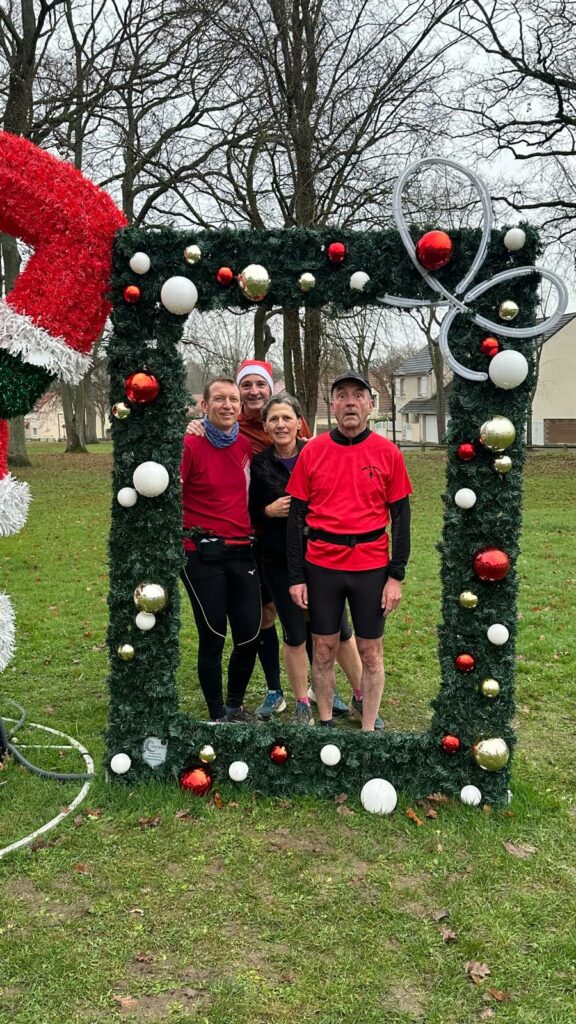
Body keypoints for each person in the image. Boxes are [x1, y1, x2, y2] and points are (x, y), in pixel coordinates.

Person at [187, 359, 349, 720]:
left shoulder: (277, 435)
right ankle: (274, 690)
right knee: (264, 617)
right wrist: (195, 424)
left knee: (311, 616)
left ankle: (321, 686)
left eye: (259, 384)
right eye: (245, 387)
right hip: (255, 545)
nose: (251, 392)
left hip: (283, 546)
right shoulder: (226, 434)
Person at [287, 371, 412, 731]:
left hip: (371, 566)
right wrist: (296, 576)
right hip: (322, 565)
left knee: (371, 651)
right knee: (323, 647)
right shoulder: (313, 451)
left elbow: (401, 518)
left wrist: (396, 576)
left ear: (371, 405)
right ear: (333, 405)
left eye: (358, 395)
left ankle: (368, 727)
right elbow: (295, 519)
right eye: (342, 395)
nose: (350, 402)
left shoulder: (388, 453)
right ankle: (326, 723)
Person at [249, 393, 376, 727]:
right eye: (273, 419)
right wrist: (267, 511)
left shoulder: (318, 452)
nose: (281, 424)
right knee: (294, 632)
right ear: (265, 427)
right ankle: (303, 702)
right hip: (278, 560)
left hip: (321, 557)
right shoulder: (259, 464)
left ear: (299, 423)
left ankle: (361, 697)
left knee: (340, 630)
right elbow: (248, 511)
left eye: (286, 418)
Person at [180, 377, 261, 723]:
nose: (227, 405)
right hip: (201, 554)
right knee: (213, 635)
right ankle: (216, 715)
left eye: (233, 399)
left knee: (249, 635)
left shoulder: (245, 446)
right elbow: (168, 494)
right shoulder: (190, 444)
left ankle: (234, 706)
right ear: (205, 405)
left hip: (242, 551)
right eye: (219, 399)